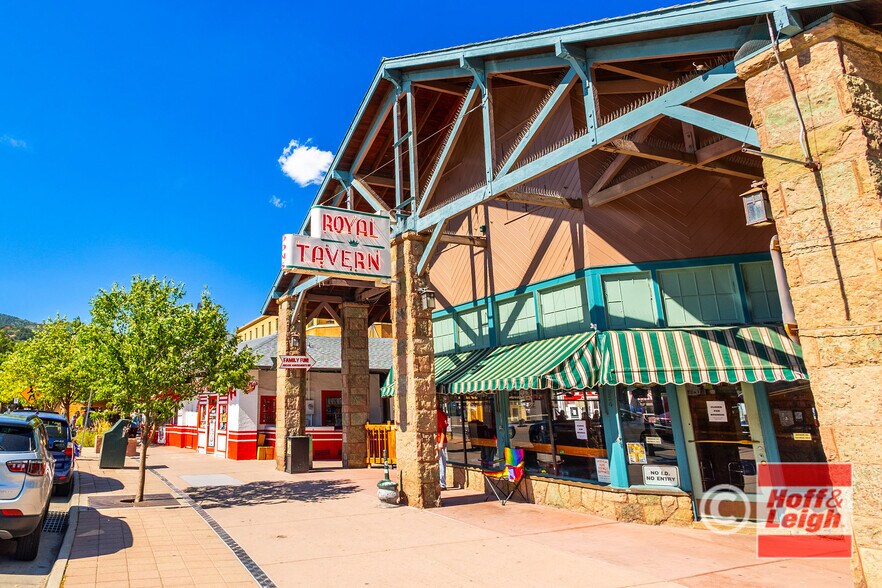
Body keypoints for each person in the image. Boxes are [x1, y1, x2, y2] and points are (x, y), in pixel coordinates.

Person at [437, 406, 449, 490]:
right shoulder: (434, 412)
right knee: (438, 462)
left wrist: (441, 442)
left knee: (441, 462)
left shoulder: (440, 414)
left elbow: (444, 429)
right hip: (434, 440)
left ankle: (442, 484)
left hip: (440, 441)